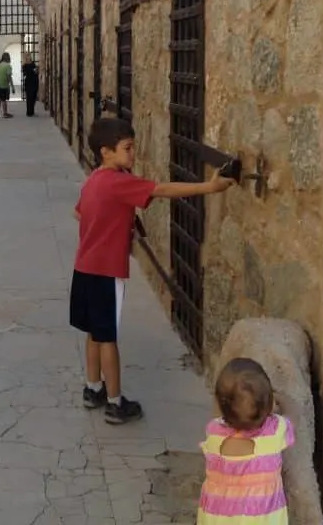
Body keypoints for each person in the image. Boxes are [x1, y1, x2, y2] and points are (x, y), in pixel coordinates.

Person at [71, 116, 236, 424]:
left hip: (84, 267)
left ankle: (93, 388)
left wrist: (110, 224)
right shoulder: (120, 182)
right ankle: (115, 403)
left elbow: (77, 213)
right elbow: (162, 189)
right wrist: (209, 187)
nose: (133, 154)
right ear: (107, 152)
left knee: (93, 332)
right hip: (107, 272)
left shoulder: (93, 179)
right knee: (108, 337)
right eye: (127, 148)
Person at [197, 358, 294, 524]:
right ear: (269, 403)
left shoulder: (213, 433)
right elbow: (291, 421)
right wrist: (283, 402)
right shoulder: (276, 432)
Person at [0, 52, 15, 119]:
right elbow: (9, 77)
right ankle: (5, 113)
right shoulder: (8, 66)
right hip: (4, 85)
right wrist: (12, 86)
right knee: (4, 100)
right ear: (8, 58)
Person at [21, 53, 40, 117]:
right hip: (29, 82)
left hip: (35, 81)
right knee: (29, 97)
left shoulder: (33, 63)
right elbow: (25, 73)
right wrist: (33, 70)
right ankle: (29, 112)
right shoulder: (24, 65)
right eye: (28, 55)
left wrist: (36, 70)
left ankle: (32, 111)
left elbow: (36, 72)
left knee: (34, 97)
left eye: (29, 55)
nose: (29, 56)